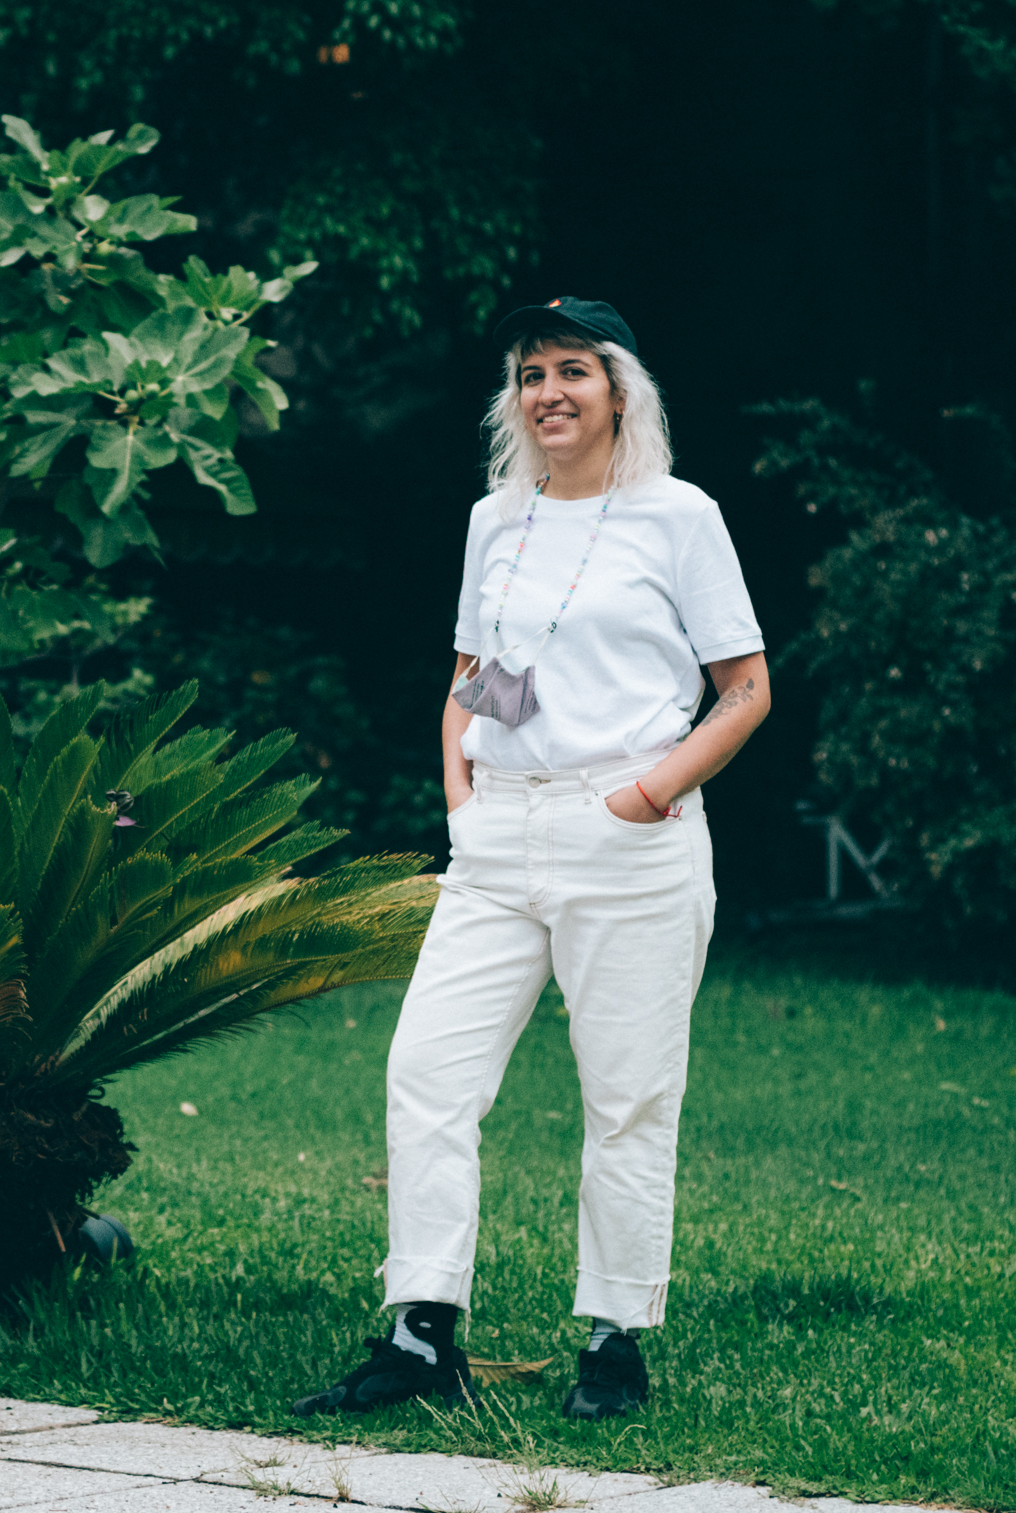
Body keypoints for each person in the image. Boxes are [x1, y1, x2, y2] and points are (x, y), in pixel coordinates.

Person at [294, 297, 769, 1423]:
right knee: (427, 1074)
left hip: (628, 833)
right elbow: (468, 677)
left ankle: (613, 1338)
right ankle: (419, 1334)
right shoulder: (493, 519)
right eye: (529, 374)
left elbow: (745, 689)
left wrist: (643, 793)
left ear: (619, 391)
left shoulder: (679, 516)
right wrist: (461, 796)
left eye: (571, 370)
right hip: (497, 835)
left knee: (627, 1096)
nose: (547, 392)